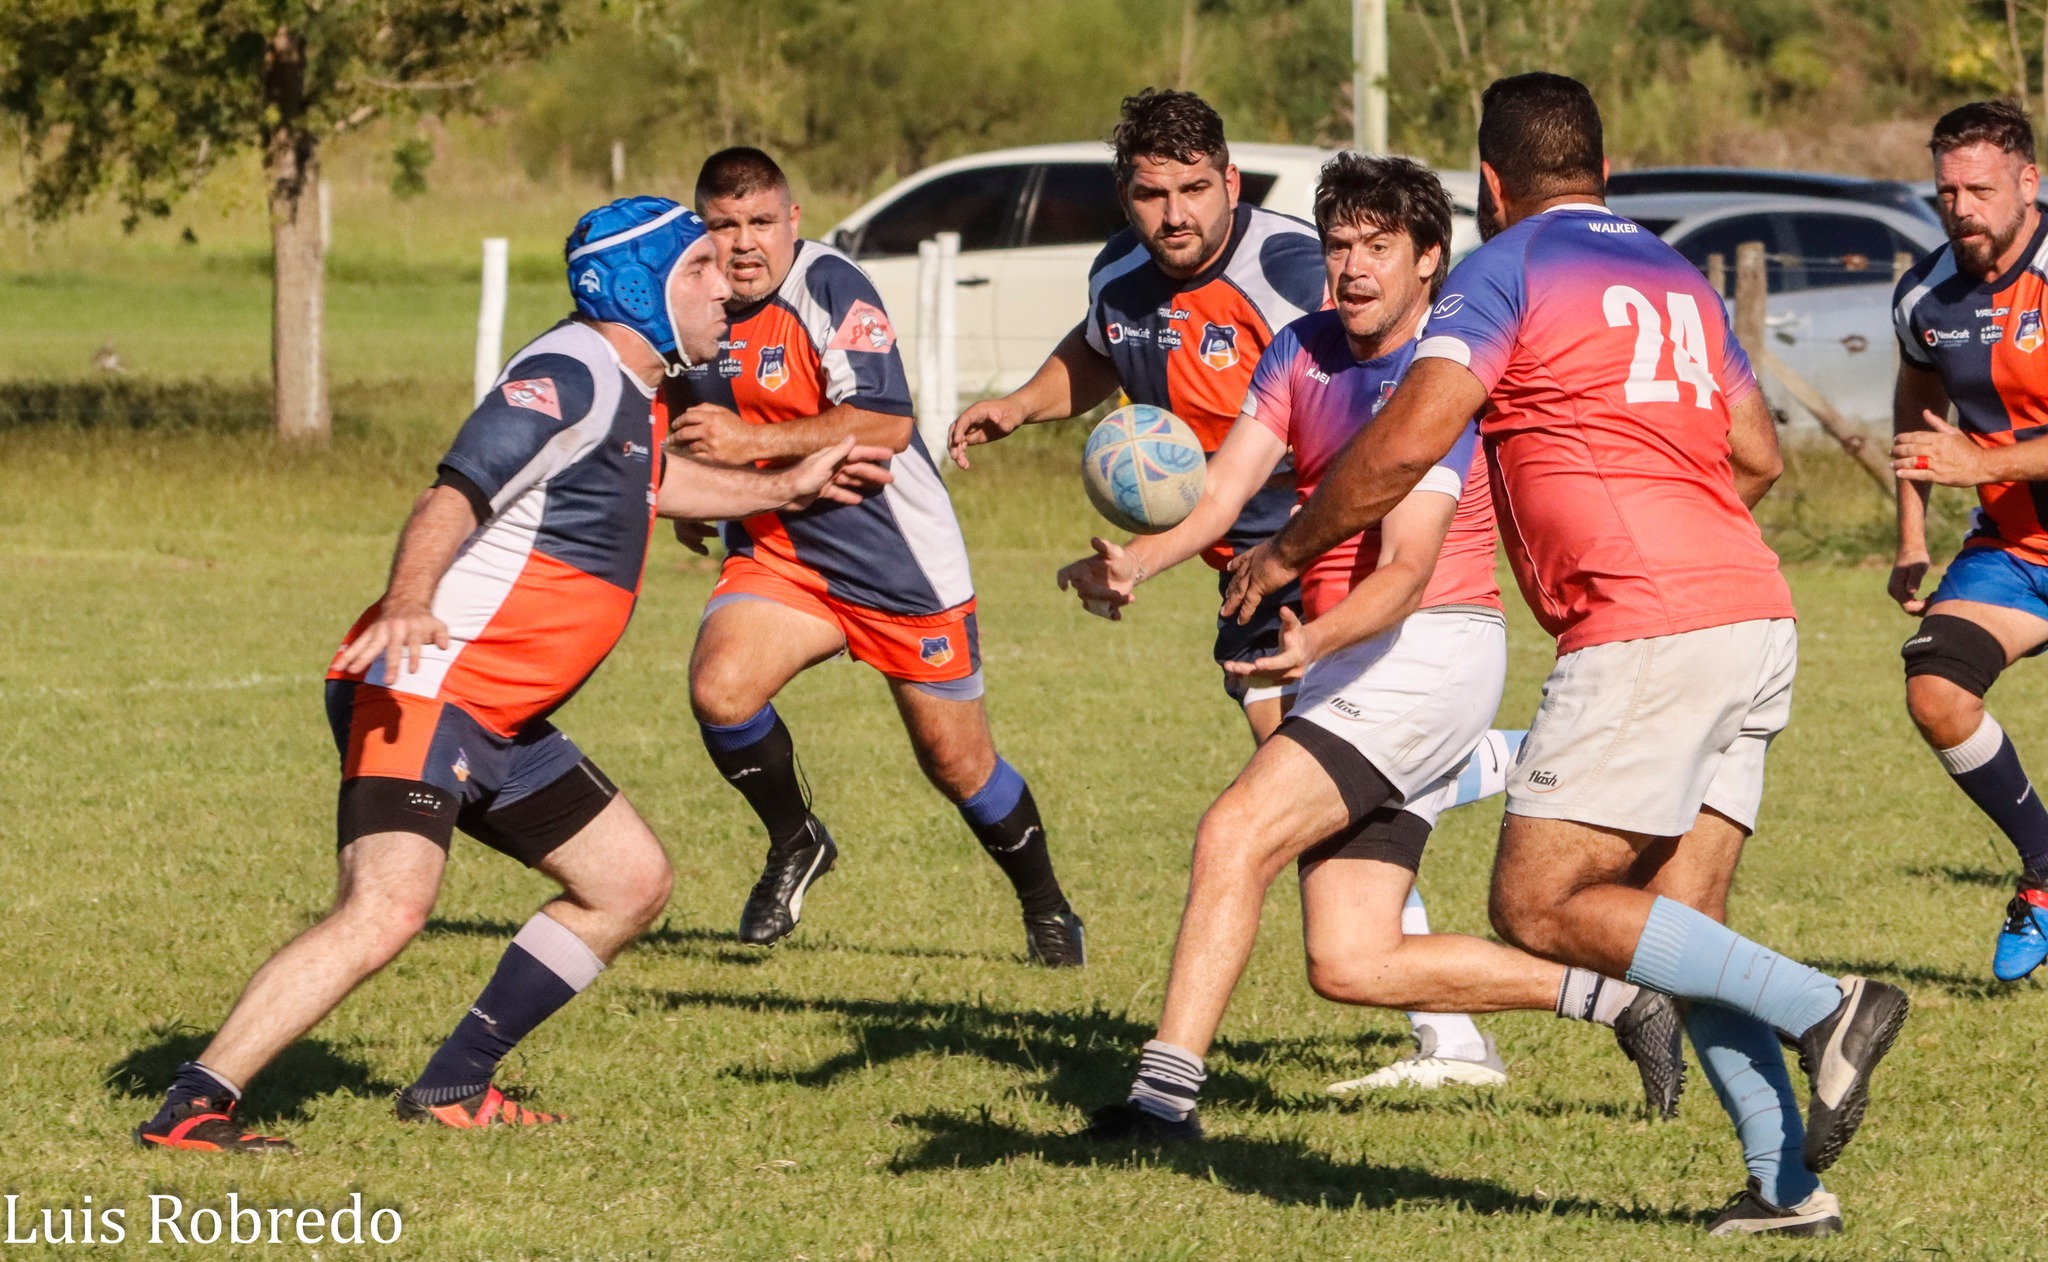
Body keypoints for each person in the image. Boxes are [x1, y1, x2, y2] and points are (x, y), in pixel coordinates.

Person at [1222, 74, 1909, 1238]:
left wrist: (1286, 551)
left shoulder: (1509, 267)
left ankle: (1823, 1005)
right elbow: (1752, 454)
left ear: (1488, 183)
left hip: (1645, 625)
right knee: (1677, 919)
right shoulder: (1673, 273)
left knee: (1537, 901)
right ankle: (1786, 1187)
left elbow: (1402, 445)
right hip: (1751, 609)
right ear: (1603, 162)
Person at [134, 197, 895, 1152]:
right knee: (387, 909)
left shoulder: (631, 389)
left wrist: (782, 487)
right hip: (427, 686)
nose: (723, 286)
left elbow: (653, 481)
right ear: (640, 289)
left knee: (629, 884)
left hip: (500, 719)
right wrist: (409, 597)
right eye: (698, 268)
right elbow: (452, 491)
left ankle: (454, 1083)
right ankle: (194, 1107)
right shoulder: (568, 371)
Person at [1066, 154, 1683, 1141]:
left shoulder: (1433, 376)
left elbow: (1401, 571)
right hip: (1354, 662)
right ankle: (1620, 1001)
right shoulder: (1299, 349)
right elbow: (1222, 498)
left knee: (1233, 831)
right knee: (1347, 958)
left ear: (1427, 260)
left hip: (1428, 650)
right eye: (1337, 245)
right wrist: (1135, 564)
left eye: (1376, 248)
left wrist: (1309, 635)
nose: (1350, 269)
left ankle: (1160, 1100)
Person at [668, 148, 1083, 965]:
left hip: (899, 566)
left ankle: (1048, 910)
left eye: (760, 222)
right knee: (721, 691)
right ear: (702, 230)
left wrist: (747, 443)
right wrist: (699, 488)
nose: (743, 243)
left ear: (793, 222)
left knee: (956, 763)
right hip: (782, 553)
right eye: (723, 225)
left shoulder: (829, 286)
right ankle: (797, 840)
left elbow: (888, 424)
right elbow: (679, 392)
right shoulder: (694, 295)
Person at [949, 88, 1323, 742]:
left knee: (1308, 769)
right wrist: (1020, 405)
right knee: (1292, 758)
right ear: (1125, 196)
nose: (1175, 215)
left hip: (1326, 543)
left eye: (1195, 188)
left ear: (1230, 183)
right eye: (1152, 195)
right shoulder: (1117, 271)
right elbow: (1100, 349)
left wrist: (1138, 562)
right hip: (1238, 561)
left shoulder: (1294, 276)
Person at [1889, 100, 2048, 981]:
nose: (1960, 208)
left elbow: (1964, 449)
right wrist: (1912, 533)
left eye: (1979, 189)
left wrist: (1979, 457)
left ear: (2029, 183)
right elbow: (1918, 414)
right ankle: (2047, 869)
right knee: (1937, 688)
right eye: (1946, 191)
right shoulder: (1925, 294)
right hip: (2019, 553)